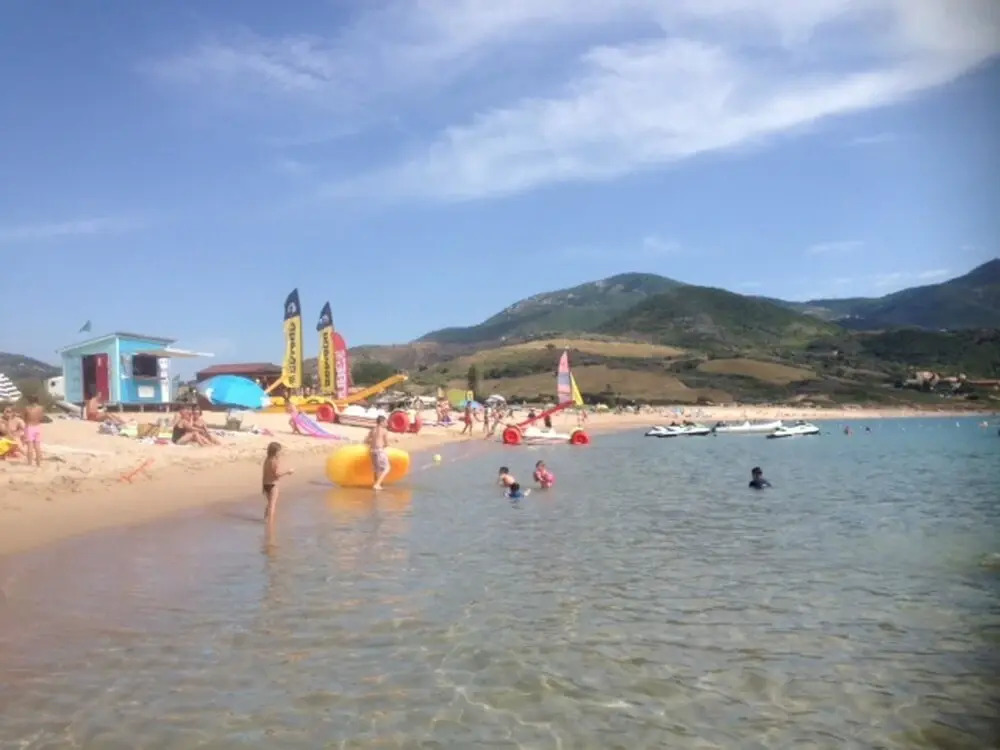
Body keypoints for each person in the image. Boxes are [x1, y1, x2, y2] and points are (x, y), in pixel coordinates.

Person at [262, 442, 294, 521]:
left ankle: (266, 519)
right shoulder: (274, 461)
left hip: (266, 484)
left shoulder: (267, 460)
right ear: (275, 452)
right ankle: (270, 522)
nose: (280, 453)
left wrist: (263, 487)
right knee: (272, 505)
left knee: (270, 503)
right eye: (279, 451)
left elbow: (264, 474)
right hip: (273, 484)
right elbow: (277, 474)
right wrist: (288, 472)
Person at [366, 414, 391, 490]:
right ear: (381, 422)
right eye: (386, 422)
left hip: (371, 451)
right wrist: (387, 444)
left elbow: (366, 441)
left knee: (376, 469)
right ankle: (377, 484)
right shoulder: (384, 430)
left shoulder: (372, 430)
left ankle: (376, 483)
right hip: (379, 451)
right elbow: (386, 443)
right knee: (387, 468)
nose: (387, 423)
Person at [23, 396, 44, 467]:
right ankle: (38, 463)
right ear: (37, 400)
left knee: (30, 446)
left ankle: (29, 463)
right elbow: (41, 418)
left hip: (29, 427)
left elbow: (24, 418)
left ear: (30, 401)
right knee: (37, 446)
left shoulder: (27, 408)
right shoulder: (40, 408)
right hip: (37, 427)